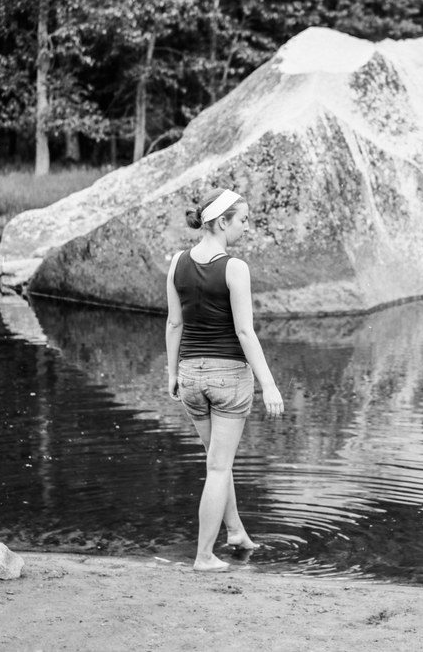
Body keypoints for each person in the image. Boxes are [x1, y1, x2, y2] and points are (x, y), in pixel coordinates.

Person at [165, 187, 284, 572]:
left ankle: (235, 532)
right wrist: (268, 383)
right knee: (218, 467)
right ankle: (203, 557)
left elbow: (174, 323)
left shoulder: (177, 262)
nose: (247, 228)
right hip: (229, 377)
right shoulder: (234, 267)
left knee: (218, 461)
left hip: (190, 378)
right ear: (221, 222)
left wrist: (171, 373)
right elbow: (245, 333)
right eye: (243, 220)